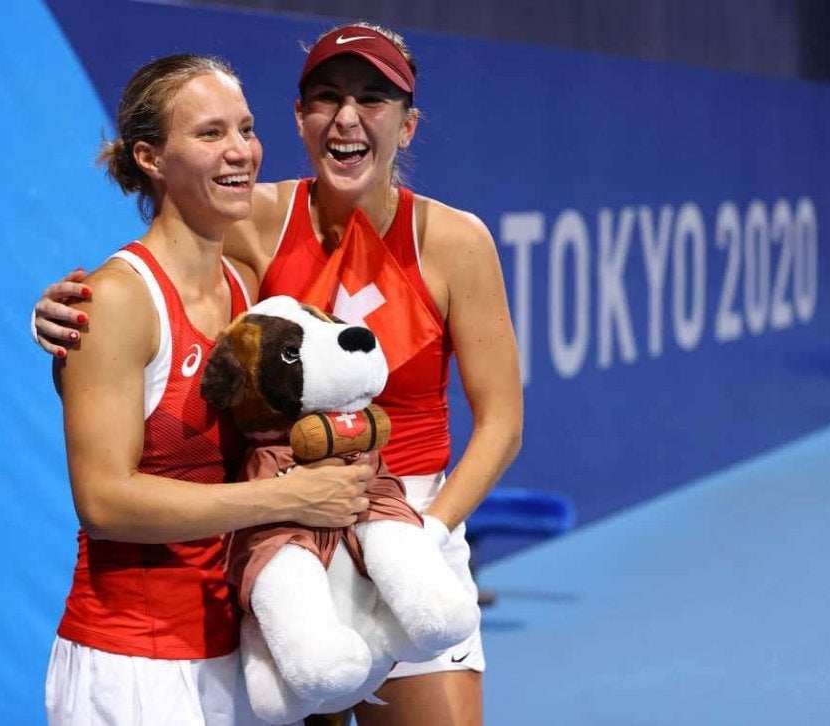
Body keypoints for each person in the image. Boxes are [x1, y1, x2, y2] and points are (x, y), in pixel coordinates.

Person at [33, 22, 523, 726]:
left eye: (372, 99)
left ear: (407, 125)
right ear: (300, 118)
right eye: (327, 98)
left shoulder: (453, 240)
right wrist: (62, 315)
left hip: (408, 530)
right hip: (287, 537)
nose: (347, 118)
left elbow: (502, 421)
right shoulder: (246, 220)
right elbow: (152, 288)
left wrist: (425, 530)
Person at [42, 53, 375, 726]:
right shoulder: (117, 300)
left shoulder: (245, 289)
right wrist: (286, 498)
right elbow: (104, 502)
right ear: (150, 158)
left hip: (235, 655)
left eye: (245, 129)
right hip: (134, 665)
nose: (240, 151)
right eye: (210, 133)